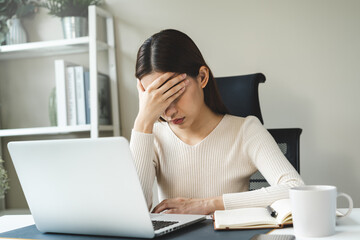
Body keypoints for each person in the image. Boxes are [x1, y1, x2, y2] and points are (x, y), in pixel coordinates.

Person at [130, 29, 304, 215]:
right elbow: (133, 213)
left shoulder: (246, 131)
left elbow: (295, 189)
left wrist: (209, 204)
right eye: (158, 100)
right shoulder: (152, 136)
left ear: (202, 77)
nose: (169, 111)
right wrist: (143, 122)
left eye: (174, 93)